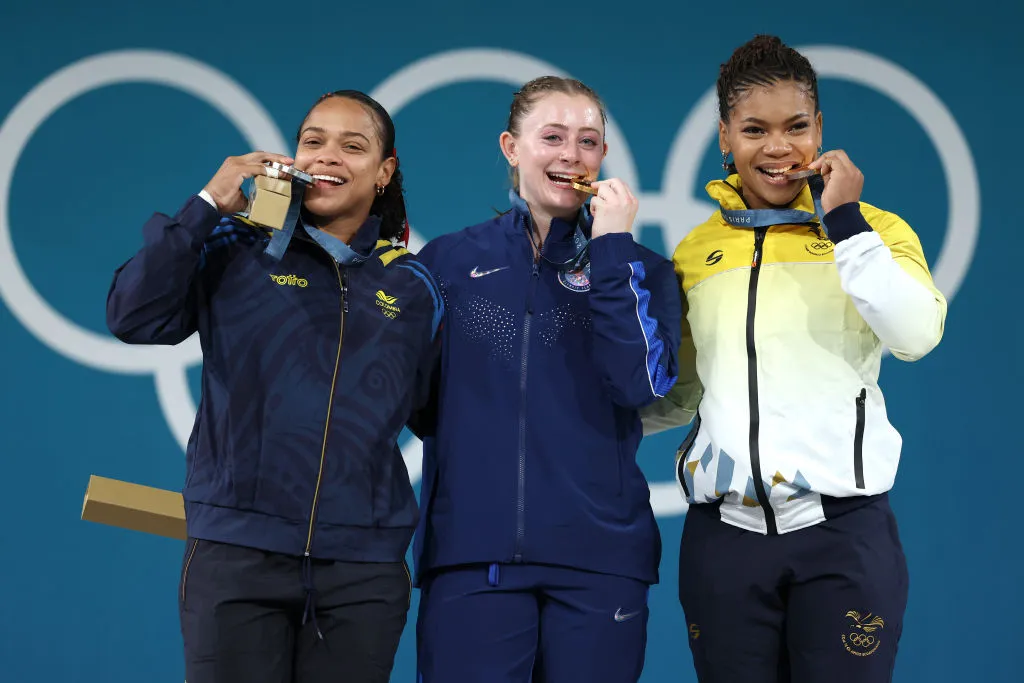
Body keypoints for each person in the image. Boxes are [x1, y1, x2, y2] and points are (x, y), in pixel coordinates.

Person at [105, 89, 443, 683]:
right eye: (313, 141)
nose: (327, 156)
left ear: (385, 172)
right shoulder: (233, 247)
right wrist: (208, 204)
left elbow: (435, 411)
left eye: (353, 146)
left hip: (361, 571)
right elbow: (133, 316)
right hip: (237, 561)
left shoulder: (414, 286)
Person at [643, 34, 948, 683]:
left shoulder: (876, 231)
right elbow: (681, 393)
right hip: (723, 541)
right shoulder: (697, 249)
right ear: (725, 136)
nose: (777, 148)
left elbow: (916, 333)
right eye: (754, 128)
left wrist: (846, 225)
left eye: (796, 127)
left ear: (821, 130)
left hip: (842, 537)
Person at [410, 76, 683, 683]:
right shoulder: (447, 264)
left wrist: (612, 248)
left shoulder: (642, 270)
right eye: (552, 137)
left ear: (603, 157)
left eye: (588, 141)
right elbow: (414, 400)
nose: (571, 155)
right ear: (511, 147)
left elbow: (639, 385)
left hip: (599, 562)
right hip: (471, 559)